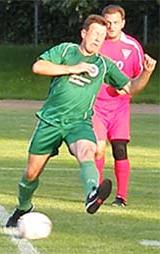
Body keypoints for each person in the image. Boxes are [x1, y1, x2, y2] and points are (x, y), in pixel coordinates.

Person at [5, 14, 156, 227]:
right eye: (95, 34)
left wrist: (146, 74)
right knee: (31, 173)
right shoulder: (67, 51)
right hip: (51, 121)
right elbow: (38, 66)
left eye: (102, 37)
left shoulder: (104, 65)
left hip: (79, 123)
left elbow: (129, 88)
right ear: (84, 33)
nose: (97, 40)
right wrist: (72, 69)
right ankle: (23, 207)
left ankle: (92, 192)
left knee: (88, 151)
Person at [92, 5, 145, 207]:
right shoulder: (96, 43)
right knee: (98, 148)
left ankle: (121, 197)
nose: (111, 26)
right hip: (96, 106)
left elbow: (139, 75)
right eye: (107, 22)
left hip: (120, 108)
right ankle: (95, 194)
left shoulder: (132, 47)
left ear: (123, 23)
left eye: (115, 22)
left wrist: (129, 87)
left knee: (120, 149)